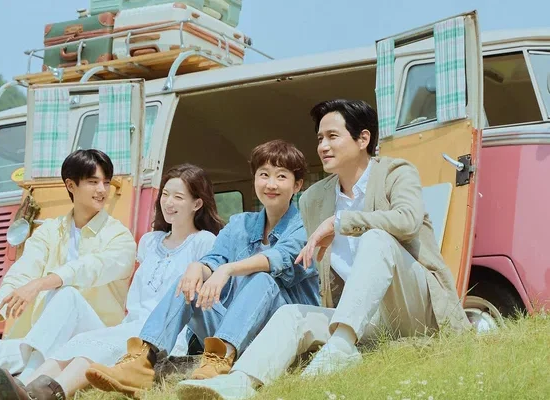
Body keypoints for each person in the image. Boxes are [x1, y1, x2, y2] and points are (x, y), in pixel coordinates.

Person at [175, 99, 472, 400]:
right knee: (292, 314)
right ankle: (239, 382)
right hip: (360, 315)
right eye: (319, 138)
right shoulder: (314, 198)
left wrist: (340, 222)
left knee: (377, 238)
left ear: (363, 139)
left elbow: (407, 221)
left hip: (412, 306)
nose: (323, 146)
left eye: (332, 136)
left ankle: (340, 348)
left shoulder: (395, 172)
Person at [85, 139, 321, 399]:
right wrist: (198, 267)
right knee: (190, 281)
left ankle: (221, 358)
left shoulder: (306, 225)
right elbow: (215, 258)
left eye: (281, 176)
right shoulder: (240, 224)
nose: (271, 184)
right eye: (264, 175)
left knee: (263, 279)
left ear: (297, 185)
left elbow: (280, 258)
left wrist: (227, 270)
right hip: (232, 329)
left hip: (279, 331)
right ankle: (142, 362)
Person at [0, 163, 224, 400]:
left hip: (163, 336)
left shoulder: (204, 241)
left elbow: (206, 288)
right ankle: (20, 387)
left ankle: (48, 394)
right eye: (165, 194)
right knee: (78, 334)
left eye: (178, 197)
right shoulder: (150, 242)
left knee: (96, 346)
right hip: (130, 324)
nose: (168, 202)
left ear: (197, 204)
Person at [0, 149, 137, 400]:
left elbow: (90, 268)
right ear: (71, 185)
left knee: (67, 295)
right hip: (43, 342)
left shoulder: (120, 237)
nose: (102, 190)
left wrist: (41, 283)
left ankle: (23, 385)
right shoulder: (50, 231)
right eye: (93, 182)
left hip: (91, 341)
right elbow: (21, 273)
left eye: (106, 182)